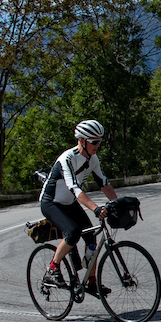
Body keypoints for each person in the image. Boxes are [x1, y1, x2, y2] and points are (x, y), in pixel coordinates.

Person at [41, 120, 119, 293]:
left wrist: (117, 203)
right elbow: (75, 189)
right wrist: (95, 208)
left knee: (91, 237)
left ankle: (91, 282)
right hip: (51, 203)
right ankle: (53, 268)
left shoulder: (93, 159)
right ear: (82, 141)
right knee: (73, 232)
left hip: (69, 203)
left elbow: (104, 184)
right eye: (94, 142)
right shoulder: (67, 159)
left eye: (99, 141)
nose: (97, 145)